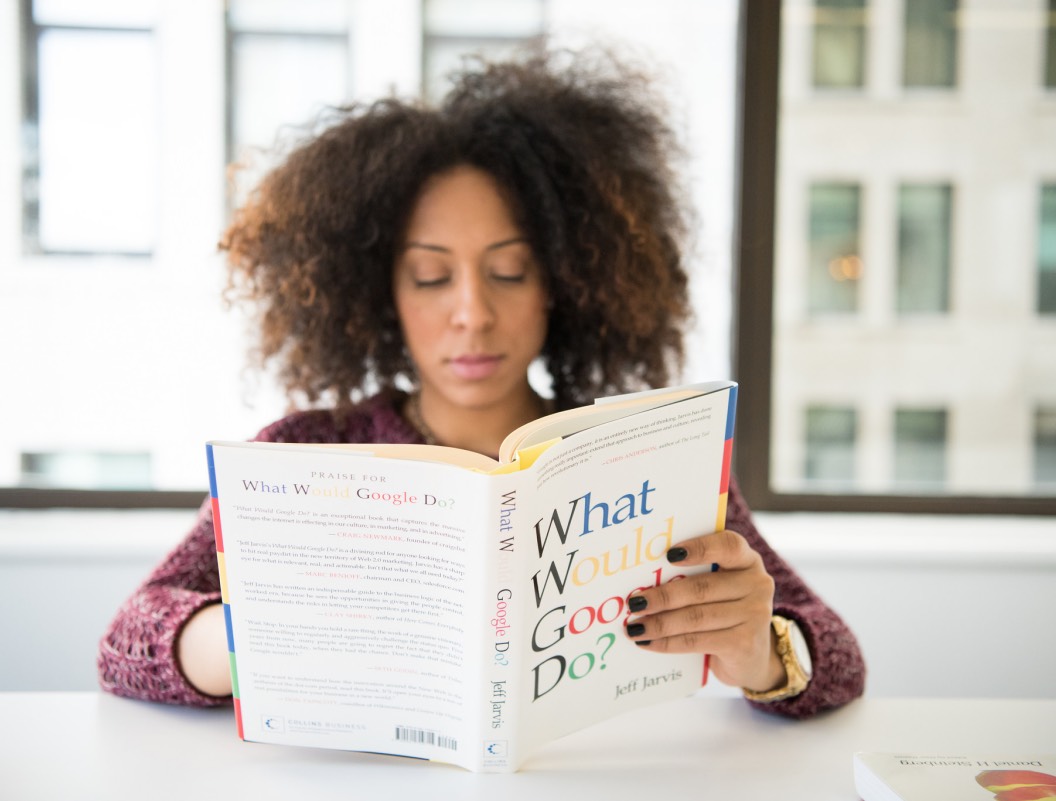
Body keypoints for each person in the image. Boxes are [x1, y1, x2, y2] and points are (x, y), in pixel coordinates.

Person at [98, 47, 865, 720]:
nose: (472, 312)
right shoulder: (302, 452)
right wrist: (248, 640)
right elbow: (127, 638)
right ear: (379, 293)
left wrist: (760, 648)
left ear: (562, 281)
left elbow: (836, 653)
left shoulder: (645, 458)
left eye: (509, 270)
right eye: (431, 276)